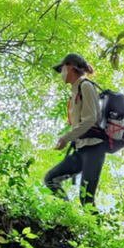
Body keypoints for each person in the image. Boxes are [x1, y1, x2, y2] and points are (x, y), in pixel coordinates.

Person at [44, 53, 106, 206]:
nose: (61, 73)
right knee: (50, 179)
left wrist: (66, 137)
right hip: (81, 148)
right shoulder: (75, 91)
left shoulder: (86, 85)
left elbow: (90, 119)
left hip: (94, 149)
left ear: (71, 66)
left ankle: (94, 229)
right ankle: (65, 216)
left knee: (86, 199)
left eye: (62, 68)